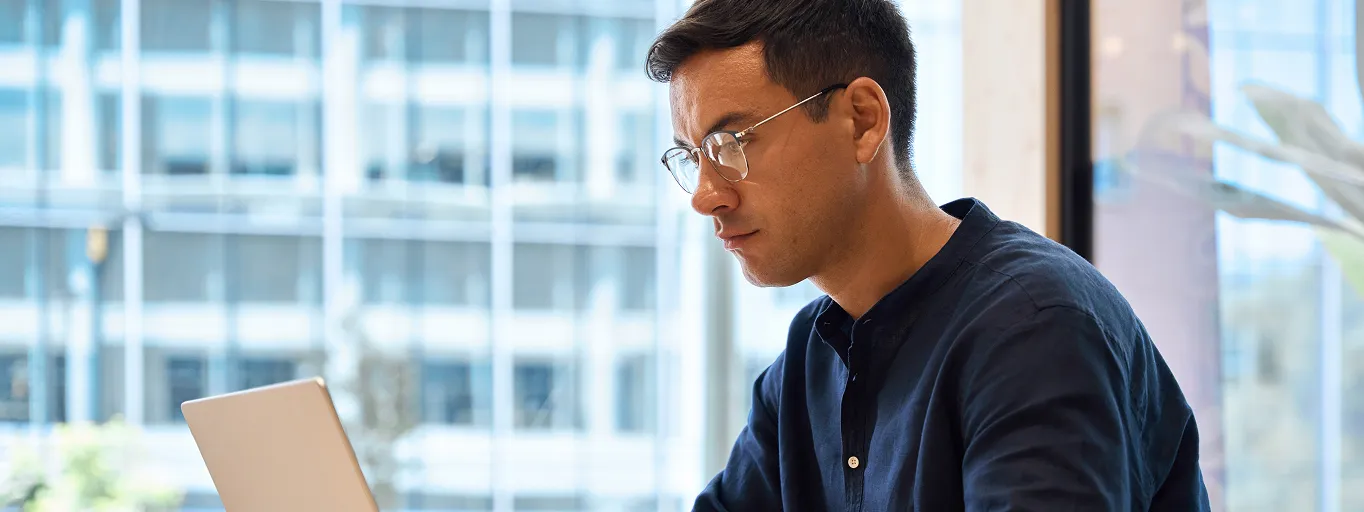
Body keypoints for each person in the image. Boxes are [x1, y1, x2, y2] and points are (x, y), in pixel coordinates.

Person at [645, 0, 1211, 510]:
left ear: (862, 120)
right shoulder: (807, 359)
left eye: (731, 144)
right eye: (692, 157)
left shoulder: (1033, 328)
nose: (705, 196)